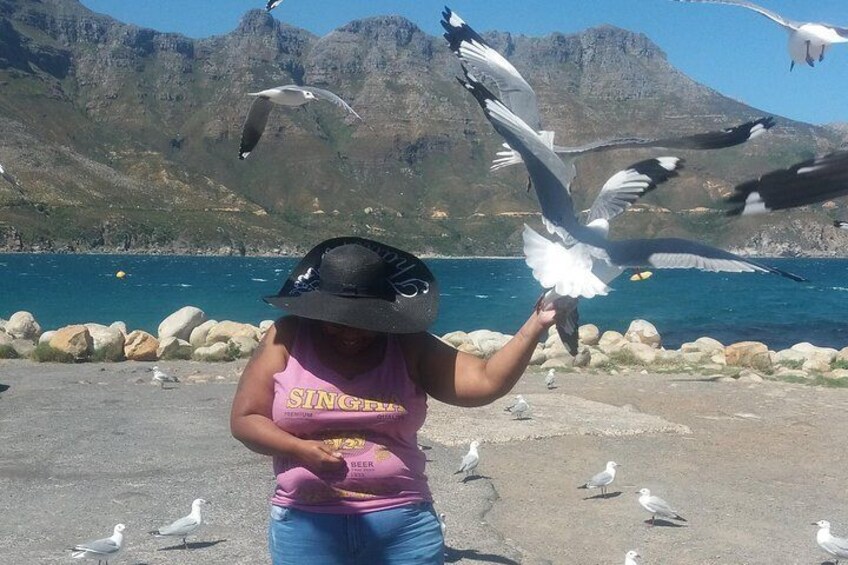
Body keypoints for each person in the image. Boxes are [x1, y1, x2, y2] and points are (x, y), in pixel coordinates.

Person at [230, 236, 555, 564]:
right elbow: (246, 419)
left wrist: (537, 323)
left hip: (402, 527)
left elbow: (485, 382)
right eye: (336, 321)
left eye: (366, 321)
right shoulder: (287, 337)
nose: (350, 332)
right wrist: (298, 449)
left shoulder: (408, 345)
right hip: (307, 526)